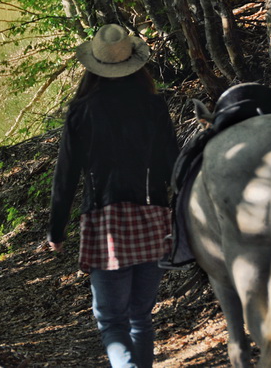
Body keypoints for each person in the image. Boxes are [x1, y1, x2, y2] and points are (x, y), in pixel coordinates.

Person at [48, 24, 179, 367]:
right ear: (135, 64)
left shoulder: (81, 111)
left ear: (94, 66)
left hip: (105, 225)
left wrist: (56, 230)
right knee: (140, 318)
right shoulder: (154, 106)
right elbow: (172, 167)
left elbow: (65, 176)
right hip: (153, 220)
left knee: (112, 322)